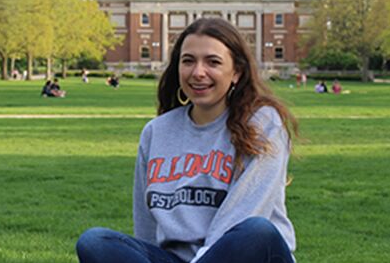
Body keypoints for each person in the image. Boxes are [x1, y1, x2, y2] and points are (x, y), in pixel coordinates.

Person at [76, 18, 298, 263]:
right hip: (176, 259)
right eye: (188, 61)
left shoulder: (263, 122)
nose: (198, 72)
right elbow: (146, 224)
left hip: (246, 254)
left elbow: (245, 210)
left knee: (257, 231)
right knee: (95, 241)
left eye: (212, 62)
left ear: (237, 72)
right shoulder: (157, 131)